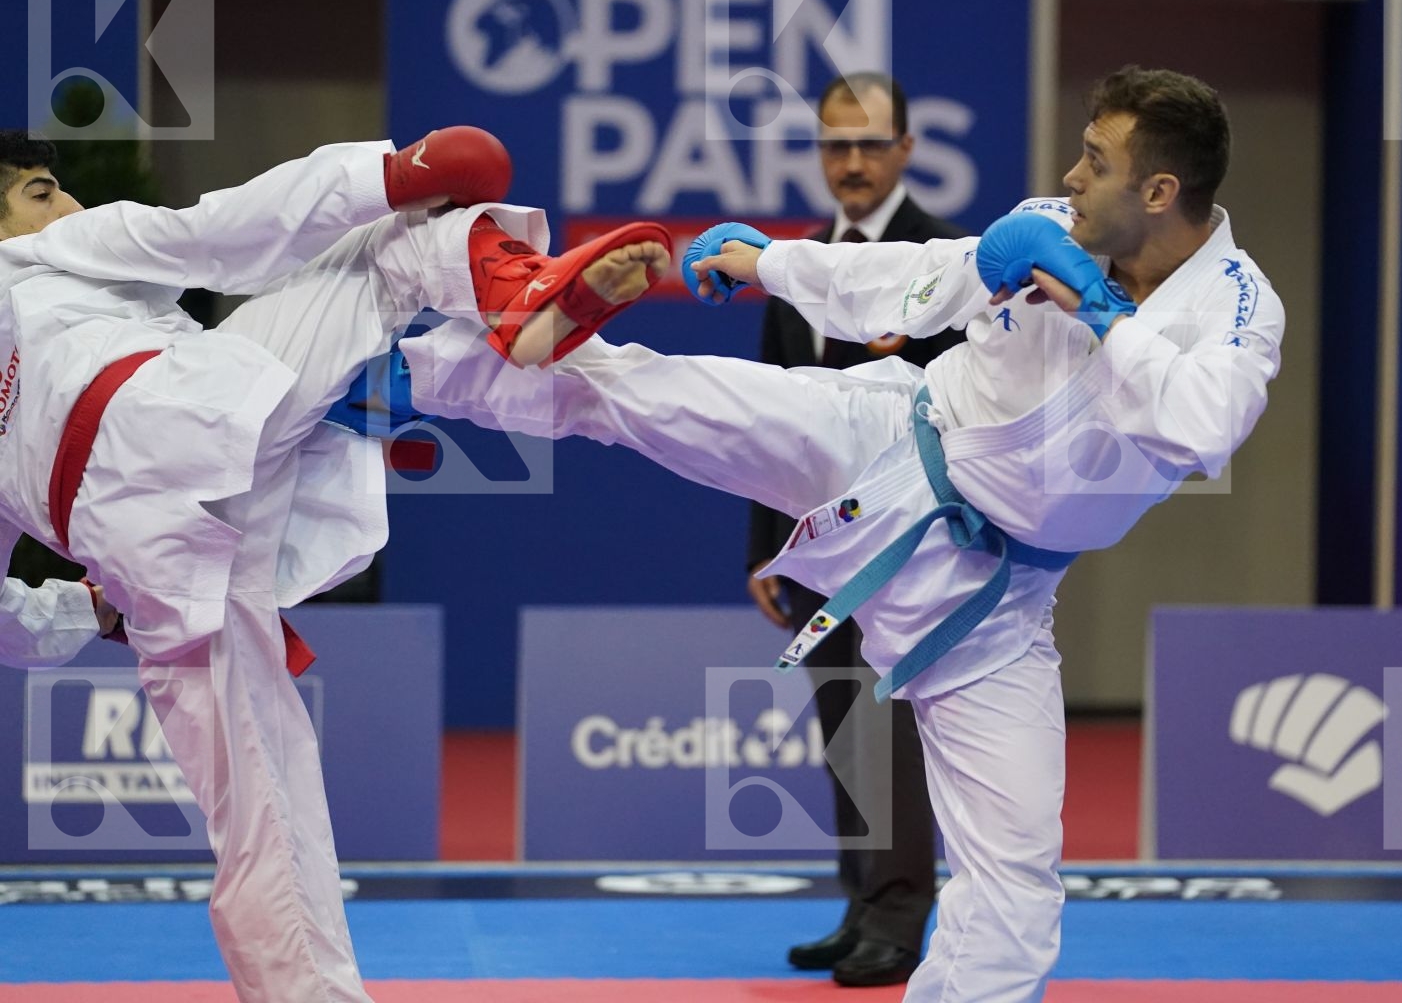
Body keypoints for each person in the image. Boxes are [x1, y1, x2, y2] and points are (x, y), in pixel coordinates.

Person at [397, 67, 1285, 1003]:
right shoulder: (1052, 227)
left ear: (1158, 191)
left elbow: (1200, 424)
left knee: (1016, 886)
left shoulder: (1235, 304)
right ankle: (402, 377)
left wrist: (1103, 313)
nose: (1070, 175)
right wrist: (768, 262)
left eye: (1096, 161)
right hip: (890, 441)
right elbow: (912, 277)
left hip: (998, 601)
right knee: (648, 392)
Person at [0, 127, 668, 1002]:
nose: (70, 206)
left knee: (260, 816)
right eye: (43, 190)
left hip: (151, 544)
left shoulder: (75, 274)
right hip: (183, 423)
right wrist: (385, 174)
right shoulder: (49, 255)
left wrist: (84, 612)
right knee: (388, 246)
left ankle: (519, 302)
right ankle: (505, 298)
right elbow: (224, 231)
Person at [747, 72, 951, 987]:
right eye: (837, 145)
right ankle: (861, 899)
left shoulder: (948, 259)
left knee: (895, 731)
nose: (854, 162)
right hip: (820, 551)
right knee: (844, 729)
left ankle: (902, 914)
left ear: (906, 149)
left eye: (871, 144)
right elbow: (769, 420)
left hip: (914, 545)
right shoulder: (793, 268)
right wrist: (766, 546)